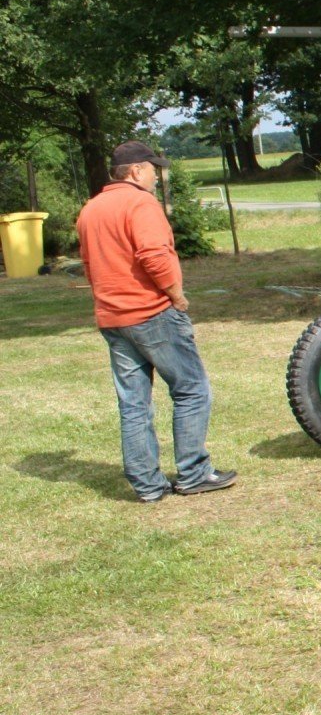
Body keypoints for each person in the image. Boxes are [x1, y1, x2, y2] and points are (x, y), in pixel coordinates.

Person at [74, 140, 236, 501]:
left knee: (133, 403)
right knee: (192, 389)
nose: (155, 176)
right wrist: (175, 295)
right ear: (135, 171)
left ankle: (147, 485)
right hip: (151, 312)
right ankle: (193, 472)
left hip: (112, 317)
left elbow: (89, 265)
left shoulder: (91, 209)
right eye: (152, 169)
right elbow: (153, 255)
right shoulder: (140, 203)